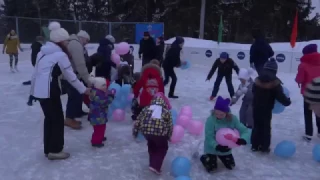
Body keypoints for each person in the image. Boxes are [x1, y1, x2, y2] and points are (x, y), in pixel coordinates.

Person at [30, 21, 89, 160]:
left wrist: (31, 92)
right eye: (66, 41)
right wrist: (84, 90)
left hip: (40, 92)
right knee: (56, 120)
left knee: (50, 119)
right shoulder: (60, 55)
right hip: (50, 90)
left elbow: (35, 73)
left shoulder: (42, 52)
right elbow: (71, 77)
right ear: (60, 42)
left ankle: (48, 149)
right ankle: (55, 150)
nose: (68, 44)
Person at [251, 58, 291, 152]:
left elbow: (253, 91)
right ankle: (264, 147)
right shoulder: (275, 82)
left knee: (256, 126)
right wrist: (287, 102)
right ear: (275, 70)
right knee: (266, 127)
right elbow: (280, 96)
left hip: (256, 106)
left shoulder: (258, 79)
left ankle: (254, 145)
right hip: (267, 108)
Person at [201, 96, 250, 172]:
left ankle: (222, 156)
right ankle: (205, 157)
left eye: (221, 114)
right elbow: (209, 137)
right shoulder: (210, 120)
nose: (218, 116)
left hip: (226, 148)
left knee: (231, 166)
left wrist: (243, 139)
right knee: (212, 168)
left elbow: (244, 130)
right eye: (216, 114)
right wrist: (216, 146)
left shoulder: (233, 119)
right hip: (212, 147)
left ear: (226, 113)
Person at [133, 93, 173, 175]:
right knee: (162, 148)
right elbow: (170, 125)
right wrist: (168, 136)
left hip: (146, 132)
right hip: (160, 133)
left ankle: (152, 163)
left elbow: (138, 120)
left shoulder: (146, 108)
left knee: (152, 145)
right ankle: (155, 166)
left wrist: (135, 131)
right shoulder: (166, 111)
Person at [64, 30, 91, 129]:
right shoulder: (76, 45)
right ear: (82, 38)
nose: (87, 43)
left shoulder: (75, 43)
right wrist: (87, 79)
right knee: (74, 95)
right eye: (87, 41)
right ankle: (69, 119)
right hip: (71, 75)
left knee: (79, 93)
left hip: (74, 74)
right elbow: (80, 64)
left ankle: (77, 111)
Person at [295, 44, 320, 142]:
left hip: (308, 92)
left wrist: (297, 80)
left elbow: (300, 79)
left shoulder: (303, 65)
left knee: (308, 113)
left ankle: (309, 134)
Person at [88, 77, 115, 147]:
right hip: (97, 116)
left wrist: (110, 93)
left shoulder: (98, 91)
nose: (105, 87)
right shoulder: (97, 94)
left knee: (102, 127)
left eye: (105, 85)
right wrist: (111, 97)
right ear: (97, 86)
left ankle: (100, 137)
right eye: (103, 85)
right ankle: (95, 141)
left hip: (99, 115)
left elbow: (105, 94)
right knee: (98, 129)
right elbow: (104, 102)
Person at [25, 36, 44, 106]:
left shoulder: (35, 45)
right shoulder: (39, 46)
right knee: (38, 79)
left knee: (37, 78)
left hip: (36, 63)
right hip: (38, 63)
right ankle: (32, 97)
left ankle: (32, 97)